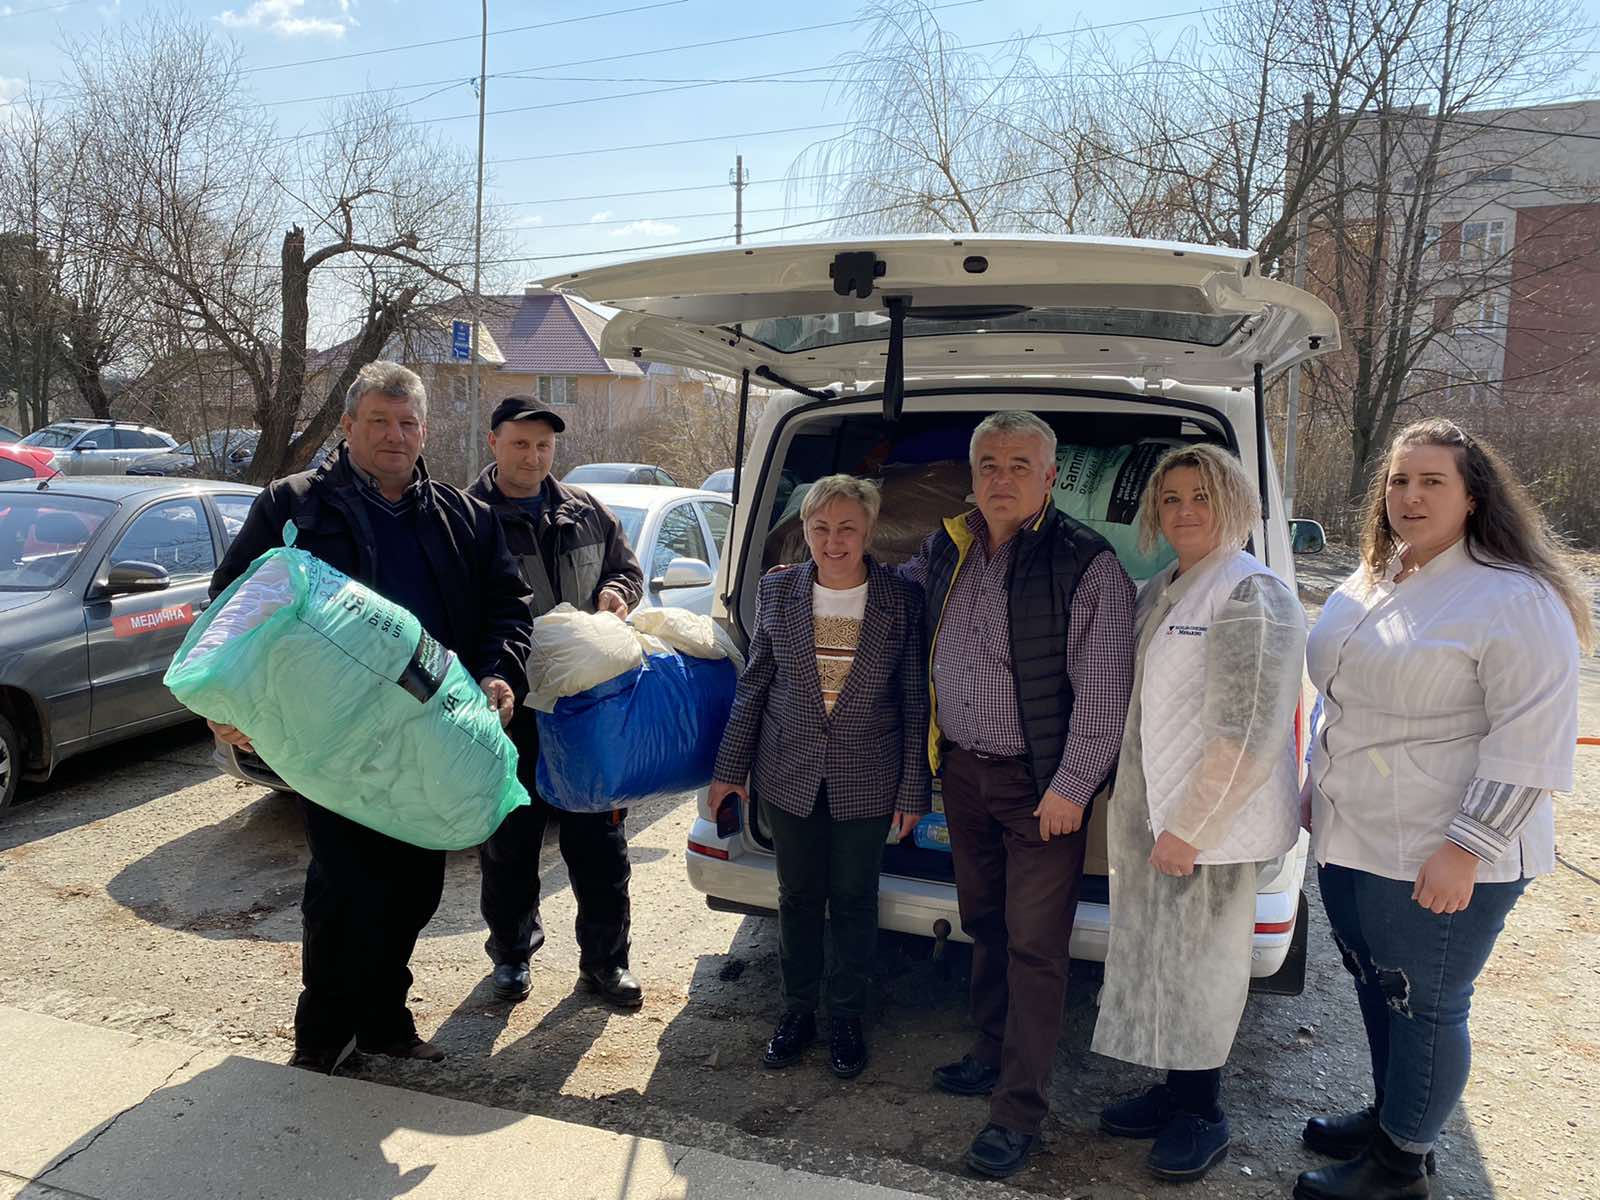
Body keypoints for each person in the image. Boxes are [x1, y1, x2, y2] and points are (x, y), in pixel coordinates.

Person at [207, 361, 533, 1074]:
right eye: (379, 421)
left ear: (425, 431)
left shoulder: (465, 519)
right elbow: (233, 606)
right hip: (332, 740)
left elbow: (507, 609)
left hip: (428, 737)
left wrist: (500, 672)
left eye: (407, 422)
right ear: (348, 426)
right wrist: (228, 705)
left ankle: (385, 1021)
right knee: (345, 885)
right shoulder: (294, 507)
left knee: (415, 885)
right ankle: (323, 1038)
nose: (394, 435)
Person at [1295, 418, 1591, 1200]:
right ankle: (1393, 1116)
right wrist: (1315, 779)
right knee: (1375, 983)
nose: (1411, 496)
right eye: (1399, 480)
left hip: (1441, 846)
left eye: (1433, 481)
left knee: (1424, 1003)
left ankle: (1401, 1166)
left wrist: (1466, 848)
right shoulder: (1376, 577)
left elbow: (1530, 741)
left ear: (1473, 496)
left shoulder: (1513, 597)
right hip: (1354, 831)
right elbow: (1342, 693)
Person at [900, 410, 1136, 1179]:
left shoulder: (1086, 563)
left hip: (1041, 788)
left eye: (1019, 465)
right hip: (963, 774)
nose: (1001, 478)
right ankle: (990, 1051)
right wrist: (809, 577)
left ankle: (1018, 1112)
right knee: (985, 923)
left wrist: (1072, 788)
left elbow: (1104, 696)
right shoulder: (949, 545)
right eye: (989, 464)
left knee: (1036, 948)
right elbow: (894, 603)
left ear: (1051, 477)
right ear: (972, 476)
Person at [1090, 444, 1306, 1183]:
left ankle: (1202, 1113)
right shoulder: (1164, 588)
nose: (1184, 511)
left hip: (1211, 829)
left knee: (1205, 968)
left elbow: (1248, 730)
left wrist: (1192, 828)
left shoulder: (1251, 593)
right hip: (1160, 817)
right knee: (1164, 960)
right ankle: (1173, 1090)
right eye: (1172, 497)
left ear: (1235, 503)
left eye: (1201, 496)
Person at [708, 475, 929, 1079]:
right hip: (788, 772)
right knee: (798, 897)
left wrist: (913, 788)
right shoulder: (777, 590)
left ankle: (847, 1016)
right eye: (821, 527)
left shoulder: (901, 600)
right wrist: (729, 769)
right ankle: (798, 1010)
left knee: (855, 899)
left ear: (869, 530)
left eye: (847, 527)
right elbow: (755, 684)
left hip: (868, 775)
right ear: (804, 529)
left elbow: (915, 699)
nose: (834, 540)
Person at [468, 395, 647, 1009]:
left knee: (599, 843)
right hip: (507, 709)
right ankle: (511, 955)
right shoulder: (465, 517)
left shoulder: (587, 511)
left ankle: (606, 962)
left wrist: (619, 593)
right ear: (494, 443)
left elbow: (628, 570)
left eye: (544, 445)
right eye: (520, 443)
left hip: (585, 712)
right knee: (509, 843)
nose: (533, 456)